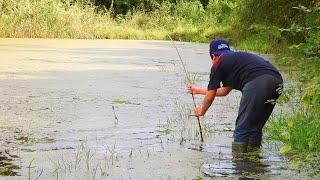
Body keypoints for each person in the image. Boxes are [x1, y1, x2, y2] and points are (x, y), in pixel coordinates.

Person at [188, 39, 283, 153]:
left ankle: (239, 164)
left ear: (213, 56)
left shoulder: (219, 63)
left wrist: (202, 111)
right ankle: (253, 162)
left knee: (242, 128)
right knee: (255, 127)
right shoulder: (236, 60)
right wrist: (198, 90)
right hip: (277, 81)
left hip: (257, 83)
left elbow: (211, 95)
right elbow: (224, 91)